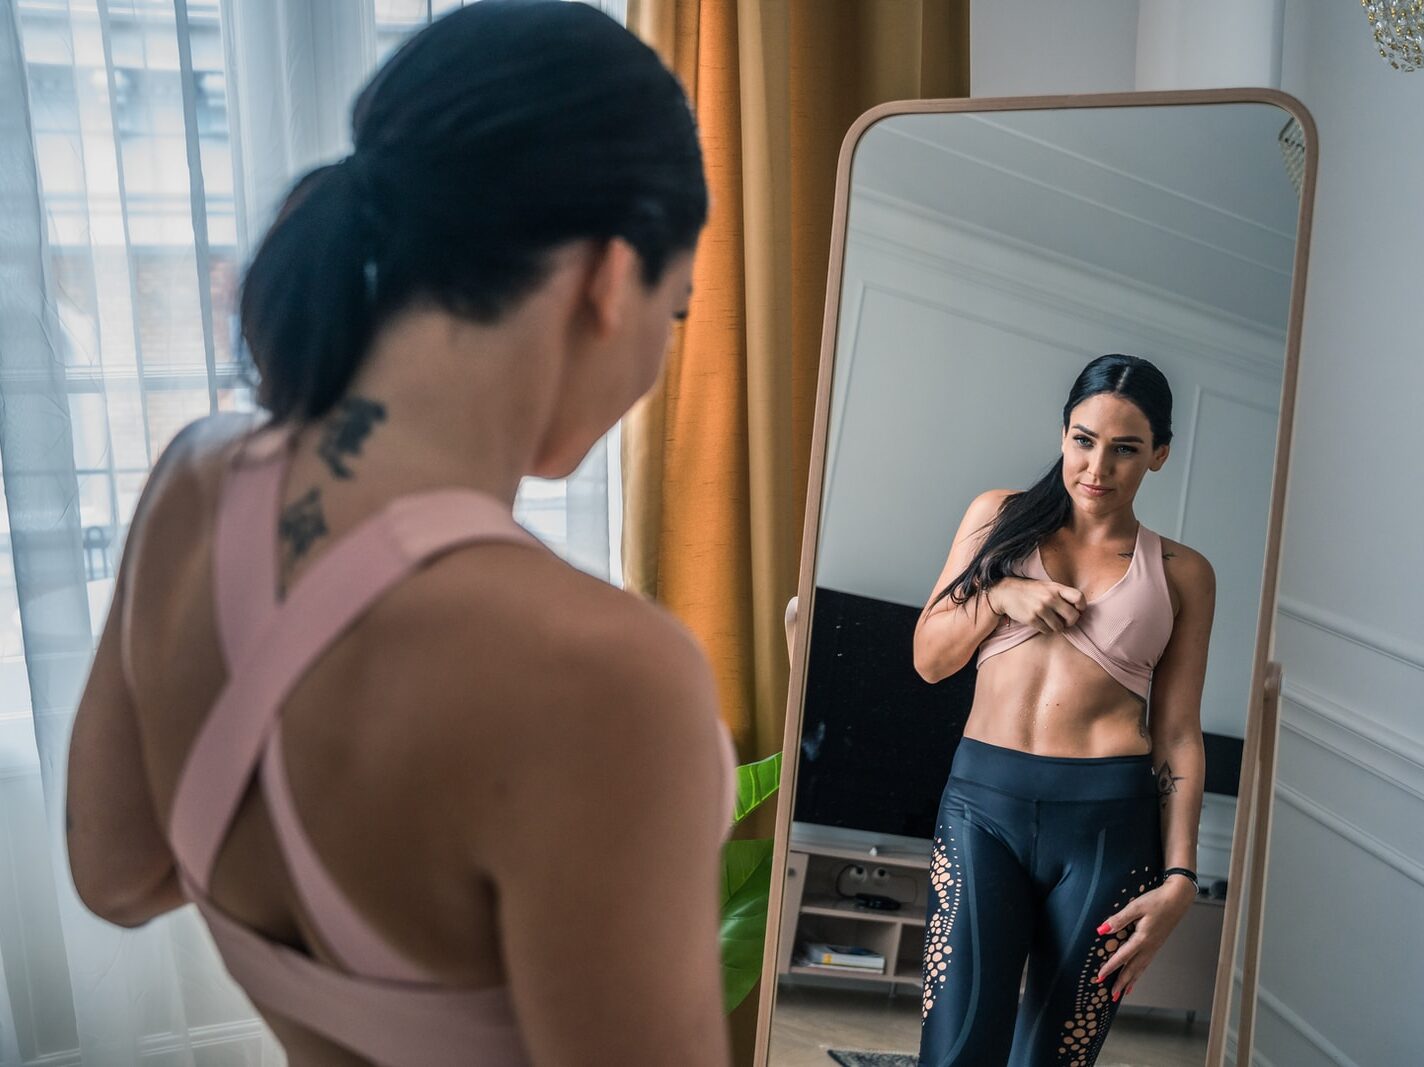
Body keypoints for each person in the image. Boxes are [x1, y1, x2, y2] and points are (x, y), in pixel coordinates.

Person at [62, 3, 735, 1064]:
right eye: (678, 308)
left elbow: (114, 872)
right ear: (609, 277)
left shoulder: (193, 482)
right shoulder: (604, 672)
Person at [912, 354, 1215, 1067]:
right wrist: (998, 596)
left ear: (1160, 455)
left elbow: (1176, 733)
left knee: (1056, 1058)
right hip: (981, 811)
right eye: (1083, 439)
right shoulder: (998, 518)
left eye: (1126, 448)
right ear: (1063, 434)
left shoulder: (1182, 573)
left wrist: (1181, 878)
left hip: (1108, 826)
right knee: (954, 1051)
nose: (1098, 465)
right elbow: (929, 659)